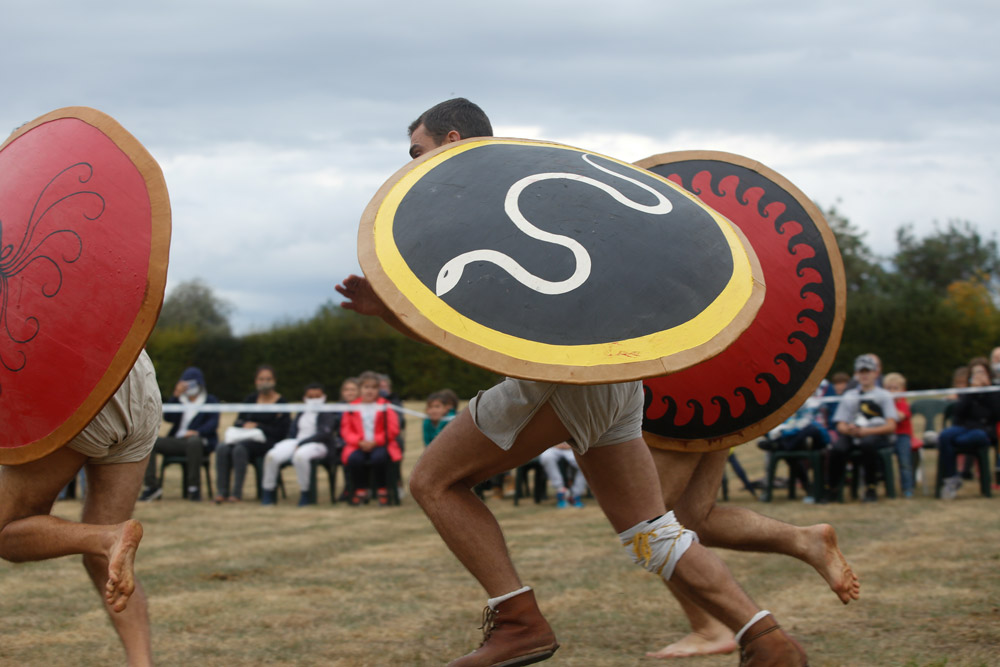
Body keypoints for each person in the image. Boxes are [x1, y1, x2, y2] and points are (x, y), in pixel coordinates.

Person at [336, 97, 808, 666]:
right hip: (616, 376)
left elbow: (485, 338)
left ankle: (517, 621)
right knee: (651, 532)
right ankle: (767, 639)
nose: (412, 164)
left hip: (569, 382)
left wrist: (391, 311)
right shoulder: (545, 191)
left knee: (435, 482)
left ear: (453, 142)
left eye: (419, 152)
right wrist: (388, 312)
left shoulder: (482, 214)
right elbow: (474, 336)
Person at [0, 351, 160, 666]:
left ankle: (107, 537)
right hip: (137, 373)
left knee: (4, 529)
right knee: (107, 565)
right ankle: (142, 663)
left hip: (76, 379)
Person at [140, 366, 219, 502]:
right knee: (151, 442)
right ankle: (152, 487)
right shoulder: (180, 400)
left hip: (198, 441)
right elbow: (169, 418)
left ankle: (193, 488)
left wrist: (197, 432)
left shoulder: (210, 400)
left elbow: (213, 422)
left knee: (194, 442)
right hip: (178, 441)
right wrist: (176, 396)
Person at [828, 354, 898, 503]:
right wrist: (849, 430)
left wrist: (867, 431)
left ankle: (870, 488)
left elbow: (891, 425)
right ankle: (832, 489)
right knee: (837, 448)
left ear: (876, 373)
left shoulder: (884, 395)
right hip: (853, 433)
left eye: (868, 371)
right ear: (856, 374)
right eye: (861, 372)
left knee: (868, 444)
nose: (864, 375)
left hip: (876, 434)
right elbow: (840, 423)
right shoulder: (849, 395)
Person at [215, 365, 290, 503]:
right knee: (222, 448)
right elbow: (238, 421)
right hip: (245, 437)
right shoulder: (250, 399)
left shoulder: (281, 402)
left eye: (268, 379)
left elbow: (281, 431)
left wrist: (259, 427)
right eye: (261, 379)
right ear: (256, 381)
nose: (264, 382)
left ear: (274, 381)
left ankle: (236, 494)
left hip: (267, 442)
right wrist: (244, 425)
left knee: (239, 449)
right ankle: (222, 492)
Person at [260, 382, 338, 506]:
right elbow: (292, 432)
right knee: (272, 455)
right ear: (304, 398)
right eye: (310, 397)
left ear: (324, 397)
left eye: (317, 397)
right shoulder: (301, 412)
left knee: (300, 456)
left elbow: (324, 434)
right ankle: (268, 492)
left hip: (318, 444)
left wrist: (302, 443)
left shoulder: (327, 413)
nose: (314, 400)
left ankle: (305, 493)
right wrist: (292, 443)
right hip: (296, 442)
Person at [937, 358, 1000, 499]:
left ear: (988, 373)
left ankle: (956, 476)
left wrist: (987, 389)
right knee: (944, 436)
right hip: (964, 428)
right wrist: (971, 391)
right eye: (975, 373)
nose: (979, 376)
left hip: (984, 430)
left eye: (982, 372)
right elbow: (958, 412)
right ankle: (952, 478)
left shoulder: (994, 390)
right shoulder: (967, 390)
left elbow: (997, 414)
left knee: (973, 437)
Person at [340, 370, 401, 506]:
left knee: (379, 458)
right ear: (360, 389)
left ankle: (382, 489)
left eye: (374, 388)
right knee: (354, 459)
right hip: (357, 446)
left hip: (381, 445)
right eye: (366, 387)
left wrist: (376, 441)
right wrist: (359, 442)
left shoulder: (385, 405)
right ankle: (360, 489)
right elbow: (346, 430)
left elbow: (393, 429)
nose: (370, 391)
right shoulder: (351, 407)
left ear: (378, 389)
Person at [883, 372, 917, 498]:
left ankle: (907, 488)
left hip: (903, 436)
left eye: (895, 388)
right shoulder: (884, 403)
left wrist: (886, 408)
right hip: (887, 435)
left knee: (904, 462)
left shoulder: (903, 404)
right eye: (888, 388)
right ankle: (889, 488)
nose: (892, 392)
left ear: (903, 390)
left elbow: (899, 416)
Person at [539, 442, 588, 508]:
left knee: (585, 464)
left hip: (573, 448)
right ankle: (561, 490)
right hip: (554, 447)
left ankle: (575, 495)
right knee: (546, 456)